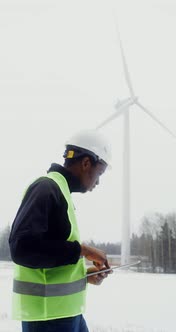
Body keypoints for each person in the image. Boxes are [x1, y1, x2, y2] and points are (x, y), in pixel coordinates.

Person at [9, 129, 112, 332]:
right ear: (85, 163)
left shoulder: (61, 192)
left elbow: (50, 259)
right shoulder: (46, 188)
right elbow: (22, 249)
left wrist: (83, 275)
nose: (98, 182)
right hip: (48, 319)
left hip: (66, 313)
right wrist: (82, 250)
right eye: (99, 173)